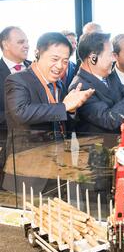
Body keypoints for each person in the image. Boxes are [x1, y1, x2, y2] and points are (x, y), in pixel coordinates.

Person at [3, 32, 94, 192]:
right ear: (38, 53)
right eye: (54, 59)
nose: (60, 66)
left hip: (58, 168)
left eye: (65, 61)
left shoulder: (58, 85)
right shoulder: (18, 80)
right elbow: (21, 113)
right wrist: (64, 107)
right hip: (28, 171)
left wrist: (71, 110)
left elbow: (61, 121)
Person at [69, 32, 124, 134]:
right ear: (93, 58)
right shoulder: (80, 87)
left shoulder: (109, 77)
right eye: (110, 54)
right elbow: (108, 120)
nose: (114, 59)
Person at [0, 26, 31, 186]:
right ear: (5, 45)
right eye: (21, 42)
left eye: (27, 41)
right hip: (7, 146)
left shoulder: (36, 68)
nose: (26, 45)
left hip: (41, 144)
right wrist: (21, 118)